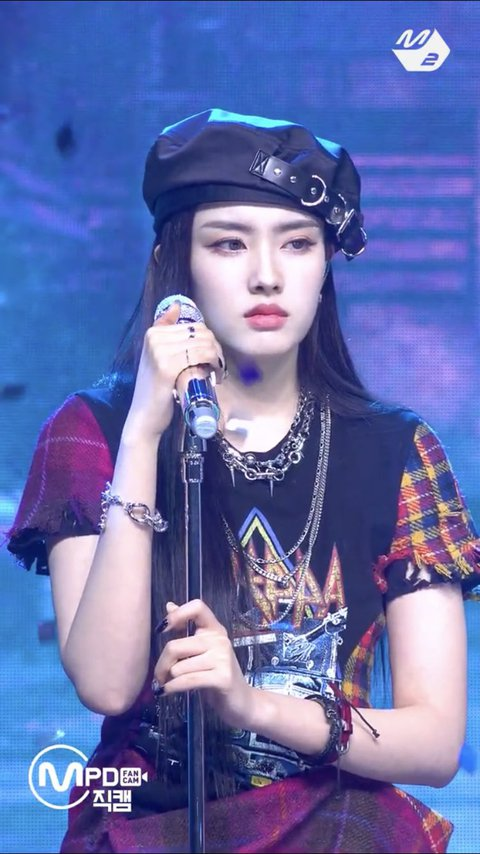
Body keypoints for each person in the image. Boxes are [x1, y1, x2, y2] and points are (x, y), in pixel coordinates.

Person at [6, 108, 480, 854]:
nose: (267, 275)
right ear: (176, 262)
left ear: (326, 266)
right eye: (229, 243)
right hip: (146, 827)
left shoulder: (398, 451)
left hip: (338, 828)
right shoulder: (93, 429)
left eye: (297, 243)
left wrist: (253, 704)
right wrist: (144, 434)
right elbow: (105, 682)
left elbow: (434, 741)